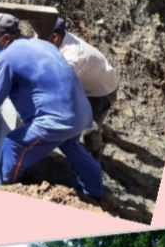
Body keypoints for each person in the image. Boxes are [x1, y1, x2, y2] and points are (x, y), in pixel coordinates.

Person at [0, 13, 104, 200]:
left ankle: (5, 190)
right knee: (69, 143)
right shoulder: (45, 44)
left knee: (13, 145)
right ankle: (94, 189)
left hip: (58, 118)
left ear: (6, 38)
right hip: (82, 113)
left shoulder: (6, 57)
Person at [51, 18, 119, 159]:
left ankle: (96, 155)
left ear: (55, 37)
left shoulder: (74, 57)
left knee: (90, 130)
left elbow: (62, 89)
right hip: (86, 81)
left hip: (102, 91)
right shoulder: (57, 37)